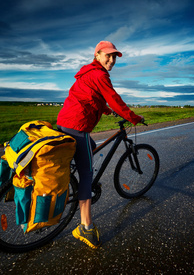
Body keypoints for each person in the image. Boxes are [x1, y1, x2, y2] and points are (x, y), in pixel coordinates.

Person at [57, 41, 143, 249]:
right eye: (108, 56)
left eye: (115, 57)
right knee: (87, 174)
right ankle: (86, 227)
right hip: (78, 127)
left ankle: (71, 178)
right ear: (97, 55)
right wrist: (132, 117)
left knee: (92, 145)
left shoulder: (87, 73)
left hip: (64, 123)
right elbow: (114, 99)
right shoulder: (100, 75)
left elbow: (89, 96)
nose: (112, 60)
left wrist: (105, 110)